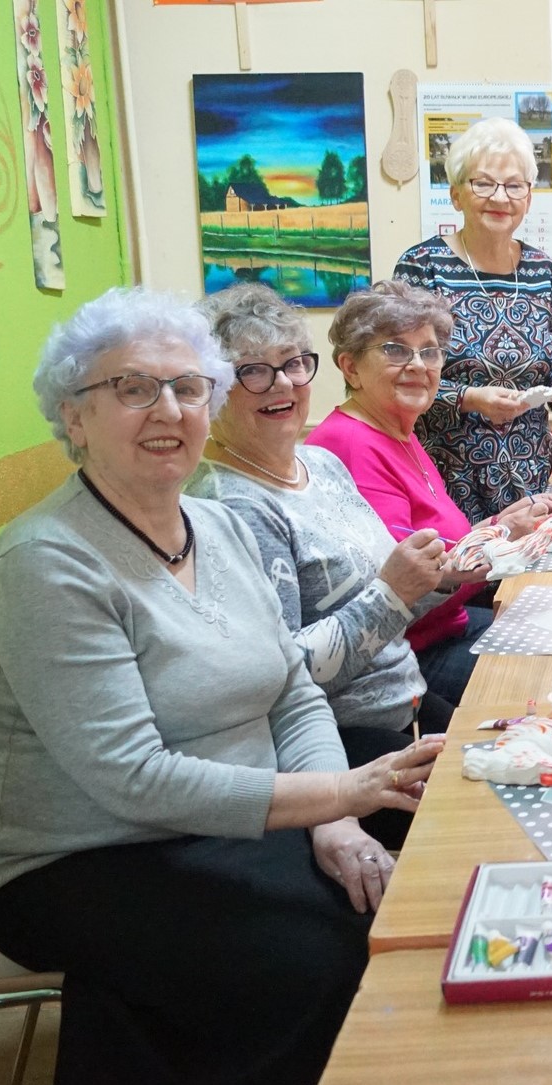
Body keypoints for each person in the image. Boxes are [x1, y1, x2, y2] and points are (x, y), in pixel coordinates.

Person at [0, 288, 439, 1085]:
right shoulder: (43, 564)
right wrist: (341, 796)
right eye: (133, 388)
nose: (168, 409)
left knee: (413, 886)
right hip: (76, 858)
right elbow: (132, 779)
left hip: (218, 816)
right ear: (73, 417)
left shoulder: (217, 526)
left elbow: (290, 687)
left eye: (187, 386)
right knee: (324, 948)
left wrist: (335, 821)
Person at [187, 283, 456, 797]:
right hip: (336, 745)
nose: (281, 385)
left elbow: (388, 604)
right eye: (252, 371)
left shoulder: (322, 465)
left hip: (408, 703)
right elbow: (279, 678)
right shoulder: (233, 506)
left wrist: (437, 579)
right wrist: (395, 593)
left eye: (292, 363)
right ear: (213, 386)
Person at [305, 280, 552, 704]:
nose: (418, 365)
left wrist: (501, 526)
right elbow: (407, 589)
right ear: (350, 367)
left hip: (449, 627)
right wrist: (495, 545)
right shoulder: (350, 445)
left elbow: (440, 553)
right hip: (410, 657)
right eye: (394, 350)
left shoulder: (399, 430)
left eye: (429, 351)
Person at [395, 117, 552, 526]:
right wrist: (471, 398)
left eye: (515, 185)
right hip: (449, 478)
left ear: (529, 198)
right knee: (464, 583)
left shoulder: (542, 271)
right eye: (483, 183)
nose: (500, 197)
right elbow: (397, 378)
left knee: (531, 588)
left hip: (533, 476)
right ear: (456, 195)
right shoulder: (422, 267)